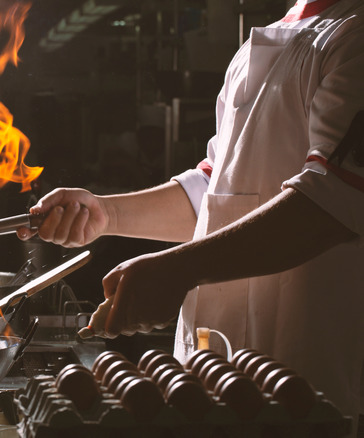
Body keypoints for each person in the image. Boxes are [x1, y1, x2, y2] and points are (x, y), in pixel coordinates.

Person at [18, 0, 364, 434]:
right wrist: (106, 213)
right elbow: (216, 193)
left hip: (312, 378)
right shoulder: (268, 41)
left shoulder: (353, 36)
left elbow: (329, 205)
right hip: (215, 381)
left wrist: (180, 270)